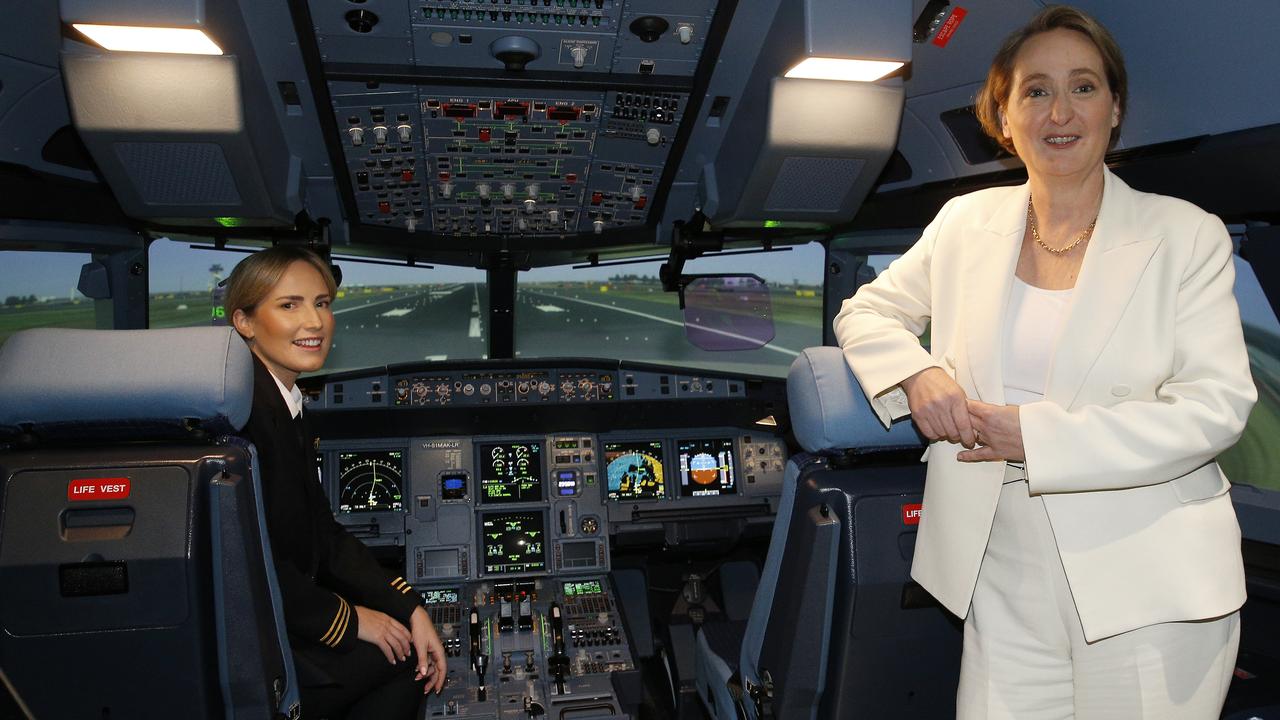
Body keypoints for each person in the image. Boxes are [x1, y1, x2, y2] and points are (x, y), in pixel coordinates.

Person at [834, 6, 1256, 718]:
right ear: (1002, 114)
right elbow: (866, 312)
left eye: (1084, 87)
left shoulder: (1186, 235)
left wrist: (1037, 437)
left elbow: (1215, 407)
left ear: (1114, 108)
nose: (1060, 111)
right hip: (1000, 571)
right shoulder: (966, 223)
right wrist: (918, 372)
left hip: (1146, 582)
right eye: (1035, 90)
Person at [225, 246, 447, 719]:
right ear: (244, 321)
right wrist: (349, 621)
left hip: (278, 617)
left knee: (404, 642)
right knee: (405, 661)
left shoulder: (280, 403)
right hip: (256, 641)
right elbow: (247, 561)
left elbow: (322, 535)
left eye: (322, 303)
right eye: (289, 305)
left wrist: (408, 606)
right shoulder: (244, 421)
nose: (315, 322)